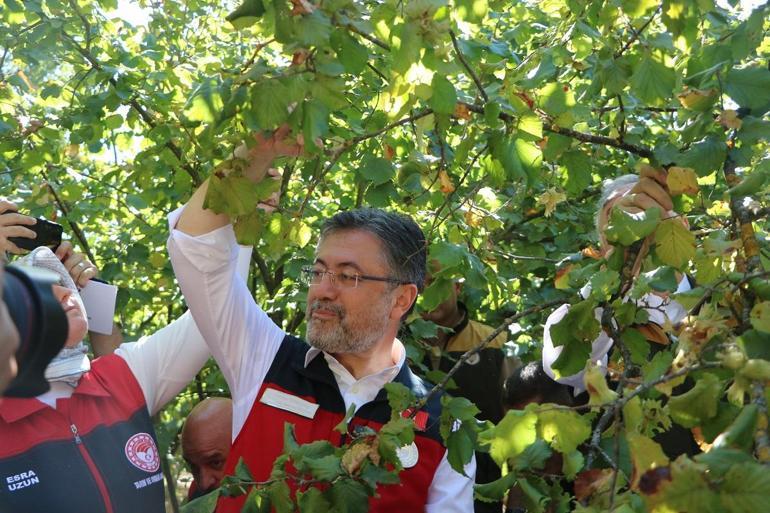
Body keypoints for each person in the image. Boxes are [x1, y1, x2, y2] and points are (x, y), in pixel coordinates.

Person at [168, 127, 475, 513]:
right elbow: (195, 251)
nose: (323, 290)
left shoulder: (442, 425)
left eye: (348, 276)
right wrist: (252, 155)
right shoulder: (264, 360)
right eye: (318, 272)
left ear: (401, 299)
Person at [0, 211, 219, 513]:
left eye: (62, 282)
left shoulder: (120, 378)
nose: (65, 292)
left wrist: (94, 296)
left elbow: (216, 308)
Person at [422, 271, 516, 513]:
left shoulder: (496, 342)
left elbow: (521, 424)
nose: (428, 291)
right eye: (420, 283)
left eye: (436, 282)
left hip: (480, 491)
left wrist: (518, 498)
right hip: (410, 483)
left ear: (457, 287)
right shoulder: (393, 342)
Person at [181, 397, 233, 499]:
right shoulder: (197, 495)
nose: (204, 483)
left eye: (215, 463)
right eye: (193, 467)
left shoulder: (268, 490)